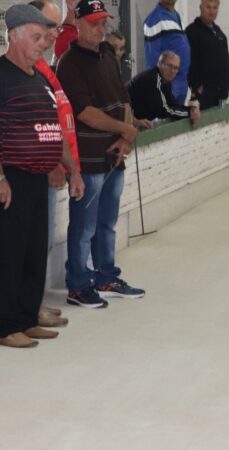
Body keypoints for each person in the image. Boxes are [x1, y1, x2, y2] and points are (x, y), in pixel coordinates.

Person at [0, 4, 84, 348]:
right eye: (36, 37)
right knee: (10, 253)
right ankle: (6, 326)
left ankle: (26, 317)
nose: (43, 44)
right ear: (14, 36)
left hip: (38, 179)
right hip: (13, 180)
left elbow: (54, 131)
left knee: (35, 252)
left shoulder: (39, 77)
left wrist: (73, 169)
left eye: (44, 37)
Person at [56, 0, 145, 308]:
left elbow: (123, 96)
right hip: (89, 160)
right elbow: (85, 113)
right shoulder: (69, 63)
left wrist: (126, 135)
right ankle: (78, 285)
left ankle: (105, 276)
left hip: (114, 157)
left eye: (103, 22)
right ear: (77, 24)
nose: (99, 28)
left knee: (106, 223)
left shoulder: (107, 53)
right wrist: (126, 129)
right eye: (93, 23)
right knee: (84, 227)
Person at [30, 0, 79, 328]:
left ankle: (33, 303)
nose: (54, 35)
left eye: (56, 28)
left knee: (42, 242)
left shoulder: (45, 69)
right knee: (30, 243)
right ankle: (26, 308)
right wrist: (51, 163)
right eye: (48, 27)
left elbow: (54, 121)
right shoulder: (24, 71)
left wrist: (67, 164)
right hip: (33, 173)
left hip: (52, 168)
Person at [127, 51, 200, 125]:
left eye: (176, 68)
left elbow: (173, 105)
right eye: (169, 66)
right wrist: (188, 113)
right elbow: (162, 111)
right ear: (159, 64)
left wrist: (192, 110)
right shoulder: (153, 79)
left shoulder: (165, 81)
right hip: (124, 121)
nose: (172, 71)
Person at [144, 0, 191, 105]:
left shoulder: (177, 16)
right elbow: (152, 60)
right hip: (167, 88)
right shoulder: (154, 19)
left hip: (180, 85)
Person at [185, 0, 229, 109]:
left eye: (215, 8)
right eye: (208, 7)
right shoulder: (192, 32)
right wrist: (196, 87)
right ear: (201, 8)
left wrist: (227, 85)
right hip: (203, 96)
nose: (212, 11)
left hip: (221, 95)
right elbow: (187, 63)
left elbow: (226, 62)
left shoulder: (219, 33)